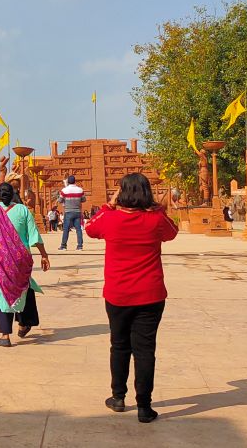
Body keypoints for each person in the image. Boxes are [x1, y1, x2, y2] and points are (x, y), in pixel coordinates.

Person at [86, 173, 178, 424]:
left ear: (121, 192)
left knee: (119, 345)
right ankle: (144, 407)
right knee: (145, 350)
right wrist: (157, 206)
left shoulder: (111, 218)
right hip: (150, 294)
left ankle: (118, 397)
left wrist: (109, 204)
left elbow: (90, 228)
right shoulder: (156, 219)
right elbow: (173, 233)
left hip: (118, 294)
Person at [0, 182, 51, 347]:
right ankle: (24, 323)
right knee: (23, 286)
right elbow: (34, 235)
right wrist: (44, 255)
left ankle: (5, 335)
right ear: (13, 194)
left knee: (0, 292)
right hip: (20, 258)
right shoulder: (22, 210)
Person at [59, 175, 86, 251]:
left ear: (68, 182)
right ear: (75, 181)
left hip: (68, 211)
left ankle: (63, 246)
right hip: (77, 211)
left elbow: (60, 200)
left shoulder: (64, 190)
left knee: (66, 229)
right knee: (78, 229)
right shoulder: (80, 190)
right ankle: (80, 246)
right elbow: (84, 200)